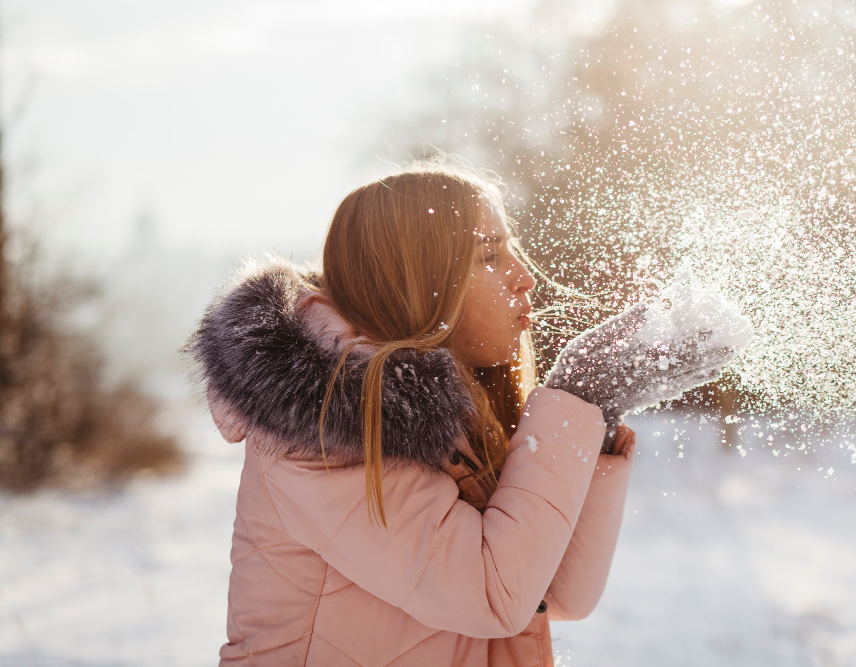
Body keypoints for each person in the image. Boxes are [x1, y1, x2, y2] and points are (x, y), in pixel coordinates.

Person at [187, 158, 734, 666]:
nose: (526, 278)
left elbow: (557, 593)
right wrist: (575, 396)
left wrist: (596, 416)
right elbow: (494, 596)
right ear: (415, 281)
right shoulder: (325, 427)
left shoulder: (453, 405)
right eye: (490, 256)